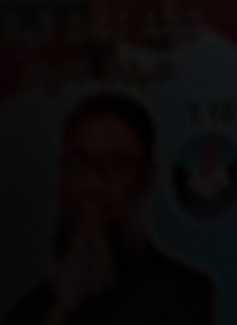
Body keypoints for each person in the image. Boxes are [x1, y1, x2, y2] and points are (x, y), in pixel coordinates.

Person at [4, 93, 213, 325]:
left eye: (114, 164)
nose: (91, 183)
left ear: (147, 178)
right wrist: (62, 307)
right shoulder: (34, 307)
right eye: (77, 163)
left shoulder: (183, 294)